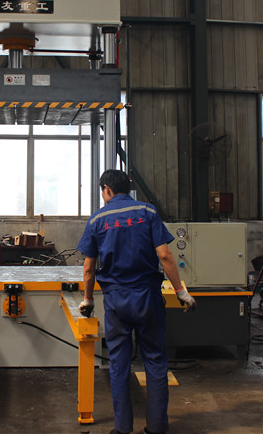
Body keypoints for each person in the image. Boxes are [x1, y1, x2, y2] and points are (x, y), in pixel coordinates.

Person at [77, 169, 195, 434]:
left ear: (107, 189)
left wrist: (88, 300)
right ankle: (157, 427)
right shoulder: (148, 212)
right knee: (155, 361)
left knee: (119, 364)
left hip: (116, 301)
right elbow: (165, 256)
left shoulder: (97, 219)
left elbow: (89, 268)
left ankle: (122, 428)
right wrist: (180, 291)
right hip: (148, 297)